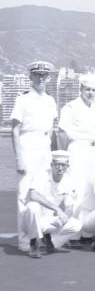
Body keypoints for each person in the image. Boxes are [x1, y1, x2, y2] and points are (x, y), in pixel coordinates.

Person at [10, 60, 58, 252]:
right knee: (24, 195)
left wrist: (53, 155)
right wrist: (19, 158)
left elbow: (52, 130)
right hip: (28, 146)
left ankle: (43, 235)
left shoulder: (50, 100)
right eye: (37, 75)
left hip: (44, 148)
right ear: (30, 77)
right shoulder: (23, 100)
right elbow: (15, 131)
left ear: (48, 78)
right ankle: (24, 241)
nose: (40, 78)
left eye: (44, 75)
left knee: (45, 192)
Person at [18, 150, 82, 259]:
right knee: (33, 207)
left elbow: (69, 207)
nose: (60, 168)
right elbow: (32, 195)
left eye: (63, 165)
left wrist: (63, 219)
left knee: (76, 225)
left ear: (67, 166)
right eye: (57, 164)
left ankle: (50, 242)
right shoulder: (41, 174)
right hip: (30, 221)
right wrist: (56, 209)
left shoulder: (69, 181)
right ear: (52, 165)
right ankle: (34, 243)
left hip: (47, 220)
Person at [57, 73, 95, 214]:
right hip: (76, 150)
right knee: (76, 187)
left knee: (90, 187)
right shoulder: (70, 107)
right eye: (88, 89)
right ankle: (74, 231)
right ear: (81, 89)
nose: (91, 93)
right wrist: (63, 157)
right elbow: (62, 133)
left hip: (91, 152)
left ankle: (86, 228)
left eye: (94, 90)